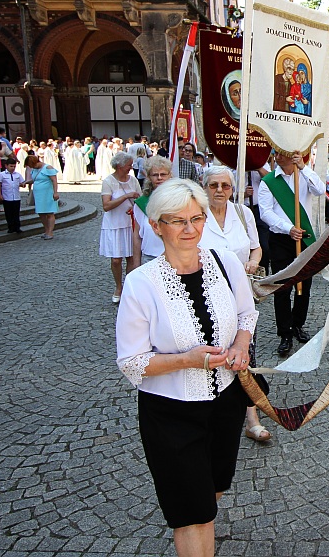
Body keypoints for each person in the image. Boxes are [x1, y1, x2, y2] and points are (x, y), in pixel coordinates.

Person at [115, 179, 258, 557]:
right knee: (191, 513)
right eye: (177, 221)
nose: (190, 229)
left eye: (197, 218)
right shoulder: (140, 284)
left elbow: (247, 312)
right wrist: (186, 360)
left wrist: (241, 345)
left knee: (212, 491)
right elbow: (132, 361)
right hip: (171, 414)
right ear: (155, 226)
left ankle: (201, 525)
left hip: (226, 403)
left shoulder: (225, 262)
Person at [197, 165, 271, 445]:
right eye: (214, 185)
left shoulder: (243, 213)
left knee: (244, 352)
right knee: (211, 354)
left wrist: (254, 260)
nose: (219, 191)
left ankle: (251, 418)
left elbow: (256, 246)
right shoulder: (196, 216)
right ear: (204, 187)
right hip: (206, 296)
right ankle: (208, 414)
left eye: (225, 186)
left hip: (241, 297)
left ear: (232, 188)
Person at [258, 151, 323, 358]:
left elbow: (320, 189)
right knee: (282, 287)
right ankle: (284, 333)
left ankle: (297, 324)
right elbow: (265, 212)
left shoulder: (303, 175)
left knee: (304, 285)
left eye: (283, 152)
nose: (278, 156)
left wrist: (303, 168)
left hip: (303, 237)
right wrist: (288, 228)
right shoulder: (269, 181)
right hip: (281, 240)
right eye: (276, 152)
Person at [101, 152, 140, 302]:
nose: (131, 167)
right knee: (116, 259)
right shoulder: (108, 181)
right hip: (114, 225)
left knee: (131, 257)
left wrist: (136, 206)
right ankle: (118, 286)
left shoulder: (133, 180)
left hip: (130, 223)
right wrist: (125, 196)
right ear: (119, 166)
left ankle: (129, 288)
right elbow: (106, 206)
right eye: (129, 164)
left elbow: (140, 199)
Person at [132, 155, 173, 268]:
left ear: (170, 175)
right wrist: (136, 264)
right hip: (149, 258)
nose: (159, 178)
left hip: (175, 257)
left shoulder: (179, 200)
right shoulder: (141, 203)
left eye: (163, 174)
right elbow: (137, 236)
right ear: (149, 177)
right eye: (155, 175)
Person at [24, 152, 59, 239]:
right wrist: (26, 182)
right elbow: (35, 180)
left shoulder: (47, 167)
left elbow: (54, 180)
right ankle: (46, 230)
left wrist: (55, 192)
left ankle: (50, 232)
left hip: (48, 193)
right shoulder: (34, 169)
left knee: (49, 212)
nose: (31, 167)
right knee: (41, 213)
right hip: (38, 195)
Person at [0, 156, 24, 233]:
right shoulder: (2, 174)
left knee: (16, 213)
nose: (13, 168)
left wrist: (22, 184)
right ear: (6, 166)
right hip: (7, 196)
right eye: (11, 166)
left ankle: (17, 227)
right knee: (8, 213)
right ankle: (10, 227)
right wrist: (0, 195)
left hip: (16, 196)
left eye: (14, 166)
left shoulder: (17, 174)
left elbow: (22, 183)